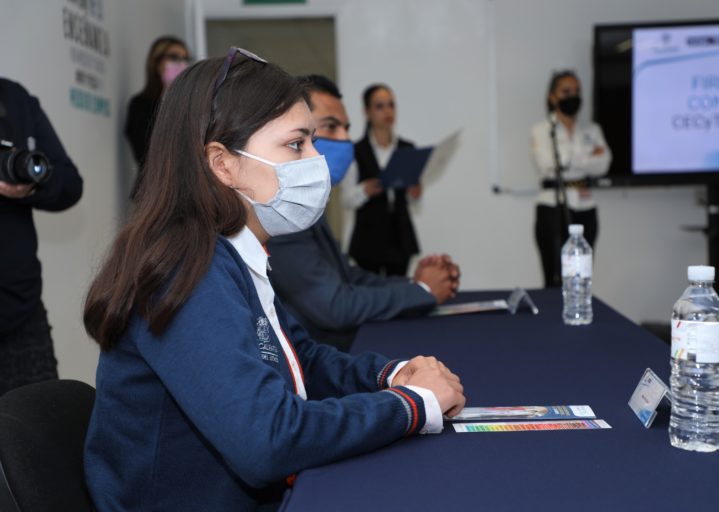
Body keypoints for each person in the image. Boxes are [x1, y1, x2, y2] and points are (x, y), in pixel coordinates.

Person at [83, 48, 465, 510]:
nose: (315, 161)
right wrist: (411, 405)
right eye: (296, 145)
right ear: (222, 163)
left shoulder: (230, 251)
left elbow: (300, 359)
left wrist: (391, 375)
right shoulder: (186, 271)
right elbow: (268, 440)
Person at [267, 75, 460, 352]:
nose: (345, 140)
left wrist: (416, 284)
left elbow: (347, 277)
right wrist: (423, 291)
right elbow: (336, 306)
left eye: (346, 128)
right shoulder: (281, 217)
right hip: (319, 360)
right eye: (331, 127)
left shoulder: (306, 204)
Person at [0, 78, 83, 395]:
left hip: (21, 310)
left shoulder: (14, 99)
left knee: (39, 421)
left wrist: (28, 187)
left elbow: (70, 184)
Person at [530, 70, 611, 287]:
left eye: (577, 91)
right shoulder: (542, 130)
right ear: (552, 97)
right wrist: (587, 155)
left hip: (586, 206)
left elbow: (603, 164)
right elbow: (548, 163)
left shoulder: (592, 129)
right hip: (551, 207)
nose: (572, 96)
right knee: (554, 277)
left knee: (581, 277)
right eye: (566, 92)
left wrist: (572, 158)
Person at [342, 83, 422, 276]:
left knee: (399, 288)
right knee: (369, 290)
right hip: (368, 238)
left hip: (400, 236)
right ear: (367, 112)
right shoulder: (356, 150)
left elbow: (414, 202)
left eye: (391, 105)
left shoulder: (407, 148)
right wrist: (364, 190)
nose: (387, 111)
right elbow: (346, 199)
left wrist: (415, 193)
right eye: (380, 106)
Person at [124, 36, 189, 196]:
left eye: (185, 58)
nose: (181, 63)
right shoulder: (141, 105)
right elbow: (145, 152)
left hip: (190, 190)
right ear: (156, 62)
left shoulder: (193, 103)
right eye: (174, 57)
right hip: (154, 192)